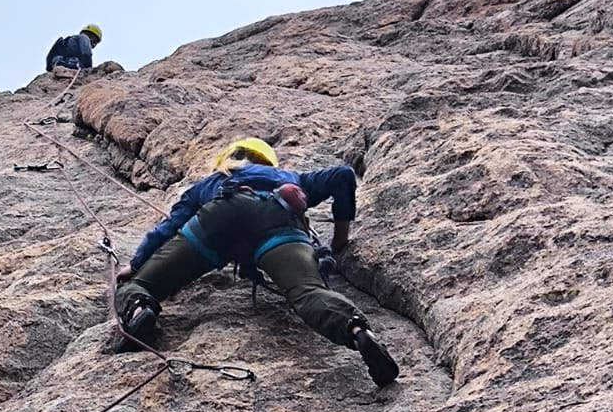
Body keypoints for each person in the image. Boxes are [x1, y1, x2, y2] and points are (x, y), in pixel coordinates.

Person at [114, 138, 400, 387]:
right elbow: (342, 176)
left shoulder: (215, 179)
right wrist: (339, 240)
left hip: (221, 218)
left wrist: (137, 264)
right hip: (279, 221)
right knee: (308, 292)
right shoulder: (287, 177)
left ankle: (140, 308)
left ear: (229, 157)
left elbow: (169, 227)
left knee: (140, 285)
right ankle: (357, 331)